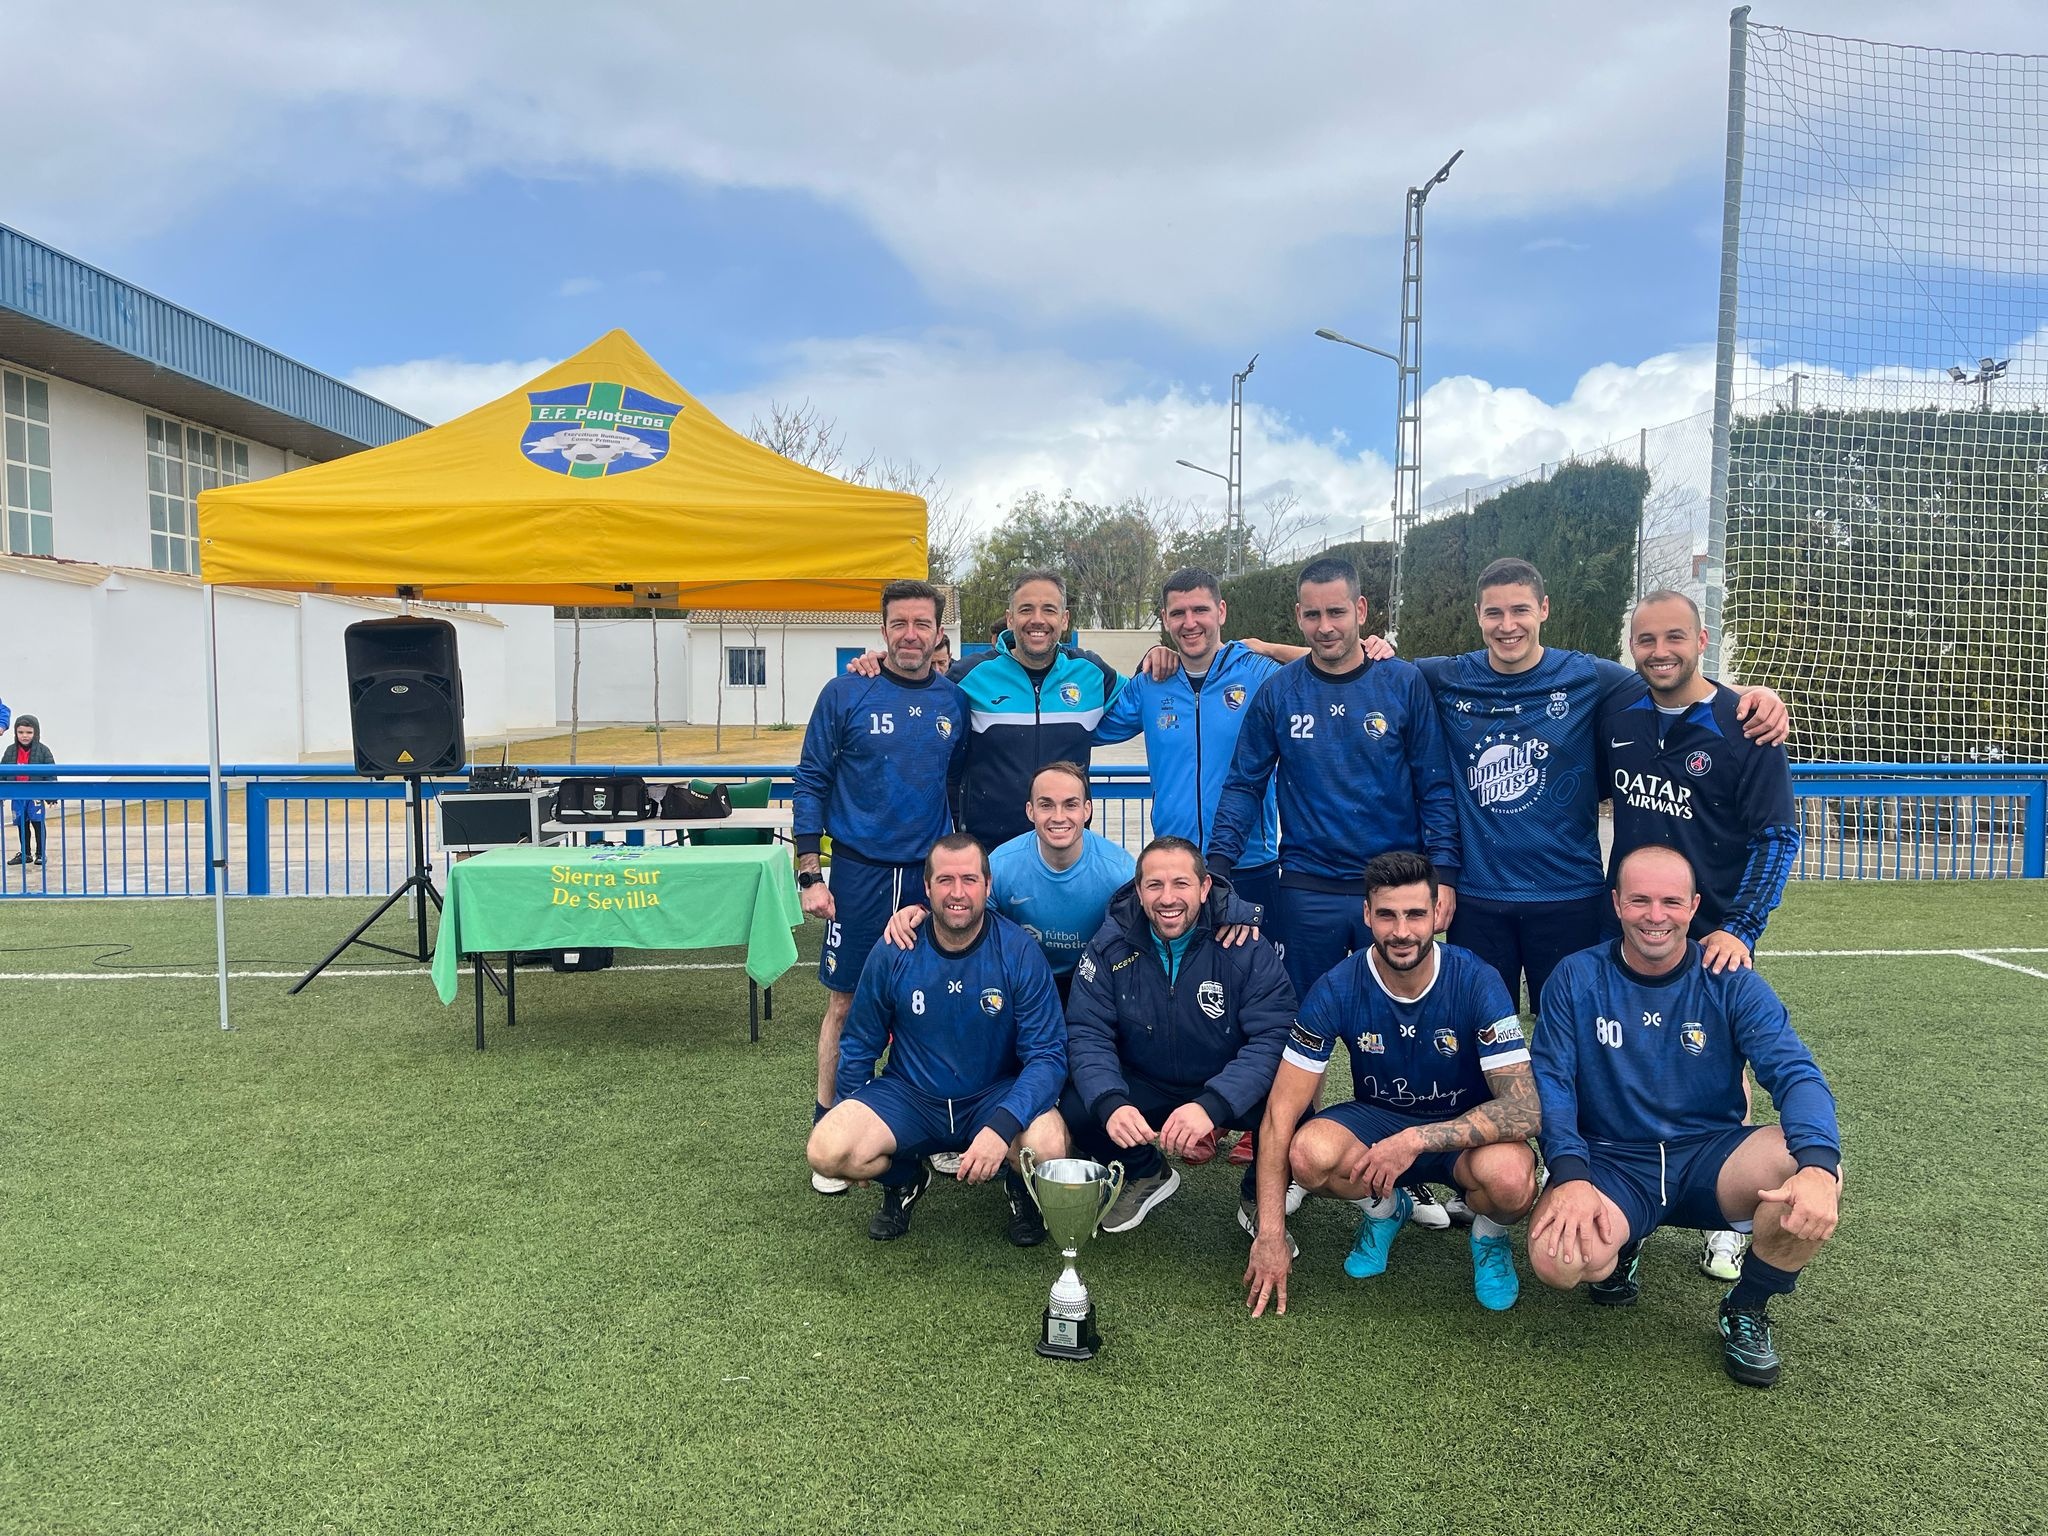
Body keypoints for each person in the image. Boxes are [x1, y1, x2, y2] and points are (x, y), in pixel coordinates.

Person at [1372, 558, 1788, 1021]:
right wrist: (1365, 648)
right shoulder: (1446, 676)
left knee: (1576, 1032)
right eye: (1495, 613)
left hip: (1571, 896)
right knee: (1477, 1031)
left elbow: (1672, 680)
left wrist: (1754, 695)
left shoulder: (1589, 676)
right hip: (1478, 896)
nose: (1508, 625)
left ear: (1544, 609)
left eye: (1520, 610)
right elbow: (1366, 671)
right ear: (1478, 616)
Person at [1528, 846, 1842, 1389]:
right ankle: (1623, 1241)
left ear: (1694, 906)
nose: (1656, 916)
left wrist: (1817, 1164)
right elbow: (1552, 1084)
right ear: (1617, 904)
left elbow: (1796, 1074)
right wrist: (1571, 1176)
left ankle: (1746, 1307)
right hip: (1614, 1160)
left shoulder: (1731, 979)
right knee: (1559, 1260)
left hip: (1710, 1157)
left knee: (1817, 1177)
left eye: (1671, 902)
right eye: (1640, 901)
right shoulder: (1576, 977)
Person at [1601, 589, 1801, 1280]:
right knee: (1627, 1059)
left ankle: (1728, 1220)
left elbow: (1778, 838)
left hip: (1713, 933)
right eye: (1646, 640)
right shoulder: (1618, 715)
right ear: (1632, 647)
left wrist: (1741, 929)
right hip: (1634, 925)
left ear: (1702, 639)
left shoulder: (1745, 725)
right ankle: (1631, 1203)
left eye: (1674, 637)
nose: (1660, 652)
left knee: (1721, 1067)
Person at [1244, 852, 1541, 1318]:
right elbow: (1279, 1116)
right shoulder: (1337, 987)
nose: (1402, 931)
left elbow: (1525, 1109)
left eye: (1415, 914)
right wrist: (1270, 1234)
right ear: (1367, 915)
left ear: (1437, 914)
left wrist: (1415, 1140)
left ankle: (1489, 1237)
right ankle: (1385, 1211)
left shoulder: (1476, 980)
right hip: (1378, 1120)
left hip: (1462, 1130)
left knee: (1510, 1180)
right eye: (1387, 915)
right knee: (1308, 1155)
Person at [1209, 556, 1461, 1003]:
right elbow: (1244, 785)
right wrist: (1218, 866)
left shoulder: (1403, 683)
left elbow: (1435, 788)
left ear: (1360, 610)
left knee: (1399, 1014)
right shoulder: (1279, 692)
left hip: (1394, 885)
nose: (1325, 627)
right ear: (1298, 616)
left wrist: (1444, 874)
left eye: (1336, 612)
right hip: (1308, 886)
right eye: (1313, 614)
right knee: (1305, 1023)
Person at [807, 835, 1070, 1245]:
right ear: (926, 888)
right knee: (827, 1151)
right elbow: (859, 1042)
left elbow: (1048, 1057)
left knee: (1049, 1147)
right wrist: (849, 1109)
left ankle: (1021, 1190)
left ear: (987, 885)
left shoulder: (1018, 951)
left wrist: (1001, 1127)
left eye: (969, 879)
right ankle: (904, 1178)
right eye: (945, 880)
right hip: (911, 1097)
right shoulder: (895, 948)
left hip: (992, 1095)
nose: (957, 893)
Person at [791, 580, 966, 1194]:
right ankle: (830, 1122)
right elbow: (811, 779)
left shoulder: (954, 700)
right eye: (899, 624)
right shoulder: (846, 691)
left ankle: (943, 1126)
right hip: (859, 873)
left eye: (922, 624)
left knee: (938, 1000)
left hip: (927, 877)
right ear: (883, 629)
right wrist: (809, 872)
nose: (910, 635)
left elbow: (956, 782)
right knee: (845, 1003)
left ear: (938, 632)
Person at [1062, 837, 1297, 1242]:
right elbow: (1087, 1032)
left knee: (1295, 1110)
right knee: (1077, 1105)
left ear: (1205, 888)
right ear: (1138, 891)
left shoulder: (1244, 944)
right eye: (1154, 885)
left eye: (1181, 884)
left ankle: (1258, 1195)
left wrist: (1213, 1104)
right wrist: (1112, 1102)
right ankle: (1145, 1171)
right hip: (1147, 1079)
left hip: (1224, 1079)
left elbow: (1274, 1036)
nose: (1167, 898)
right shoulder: (1108, 945)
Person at [1093, 567, 1300, 923]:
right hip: (1175, 867)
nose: (1190, 623)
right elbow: (1087, 726)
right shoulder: (1151, 683)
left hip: (1249, 864)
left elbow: (1327, 666)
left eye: (1200, 610)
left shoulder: (1256, 672)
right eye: (1178, 613)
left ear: (1221, 611)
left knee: (1254, 961)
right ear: (1165, 619)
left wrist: (1268, 647)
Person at [888, 762, 1134, 1002]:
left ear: (1087, 810)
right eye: (1046, 805)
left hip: (1094, 983)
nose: (1059, 817)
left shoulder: (1120, 870)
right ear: (1030, 811)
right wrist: (921, 913)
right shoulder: (1001, 865)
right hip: (1022, 981)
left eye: (1070, 805)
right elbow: (963, 913)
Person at [945, 571, 1123, 849]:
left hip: (1065, 852)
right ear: (1010, 618)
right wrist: (882, 668)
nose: (1037, 619)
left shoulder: (1092, 673)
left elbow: (1146, 697)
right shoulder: (968, 675)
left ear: (1064, 619)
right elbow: (918, 700)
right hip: (989, 853)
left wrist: (1158, 657)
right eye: (1026, 609)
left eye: (1049, 609)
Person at [7, 714, 53, 868]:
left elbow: (51, 773)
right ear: (16, 732)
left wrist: (51, 795)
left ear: (36, 732)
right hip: (17, 795)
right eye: (21, 732)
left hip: (35, 794)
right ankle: (25, 853)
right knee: (22, 824)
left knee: (38, 824)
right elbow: (3, 772)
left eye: (29, 732)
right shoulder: (10, 751)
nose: (24, 736)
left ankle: (40, 853)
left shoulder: (43, 751)